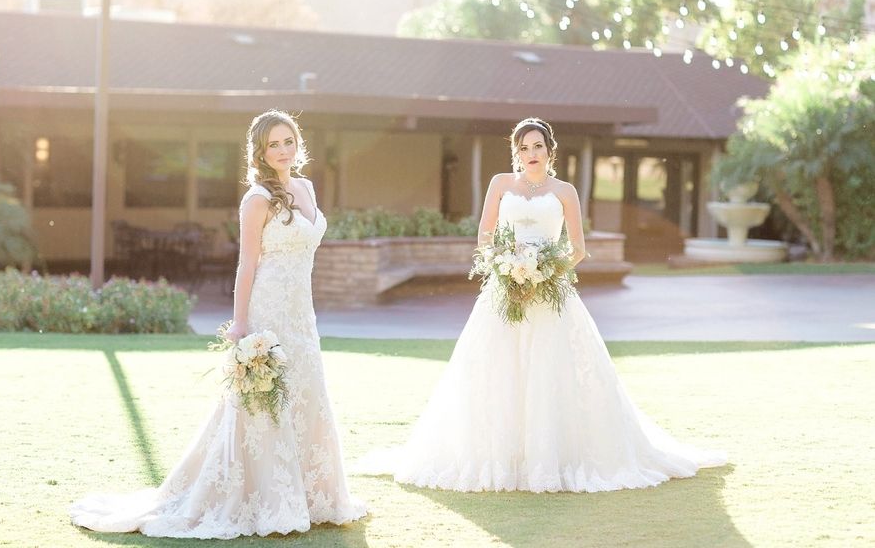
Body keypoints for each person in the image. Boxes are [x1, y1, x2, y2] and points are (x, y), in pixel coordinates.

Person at [360, 117, 726, 492]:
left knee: (552, 373)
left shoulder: (565, 190)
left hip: (552, 296)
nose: (531, 154)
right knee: (497, 372)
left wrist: (546, 274)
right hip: (504, 293)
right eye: (523, 147)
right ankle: (501, 457)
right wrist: (507, 271)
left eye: (537, 146)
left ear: (550, 150)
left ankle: (552, 456)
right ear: (516, 152)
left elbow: (579, 250)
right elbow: (486, 238)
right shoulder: (500, 185)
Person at [70, 109, 366, 538]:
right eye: (274, 145)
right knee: (263, 402)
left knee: (306, 391)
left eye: (289, 141)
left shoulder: (305, 187)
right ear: (261, 152)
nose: (283, 151)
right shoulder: (257, 198)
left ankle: (314, 494)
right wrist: (241, 324)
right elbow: (247, 265)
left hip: (303, 311)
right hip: (269, 309)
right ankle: (264, 497)